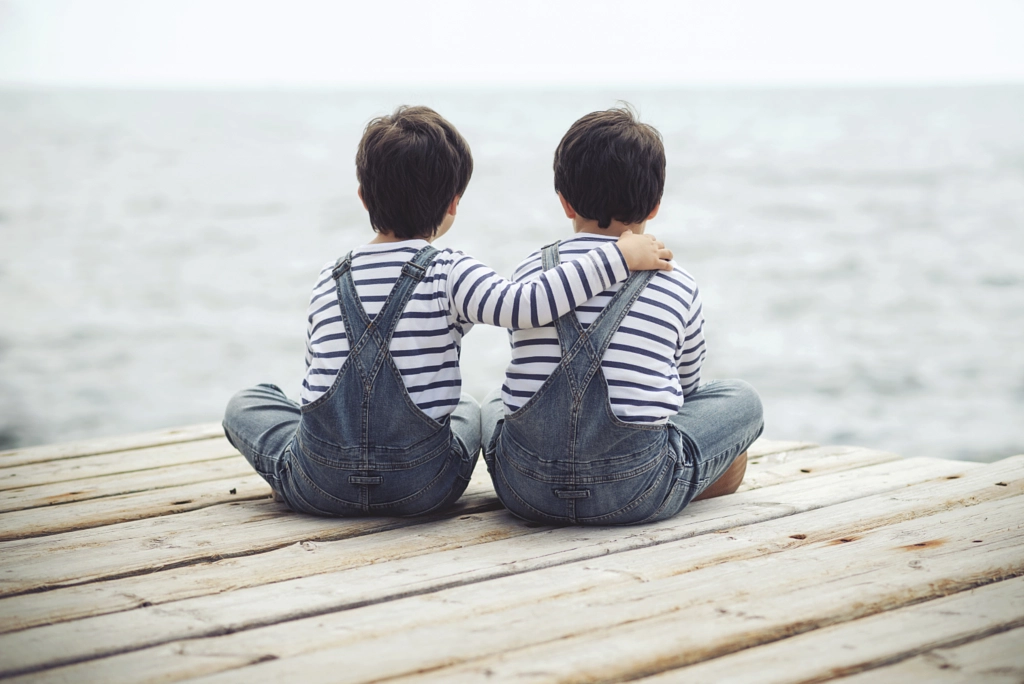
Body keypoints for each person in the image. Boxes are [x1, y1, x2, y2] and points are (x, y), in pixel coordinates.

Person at [222, 105, 673, 517]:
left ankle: (296, 476)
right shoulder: (450, 271)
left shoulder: (330, 276)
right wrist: (620, 256)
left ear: (363, 197)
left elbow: (314, 386)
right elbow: (526, 306)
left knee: (248, 402)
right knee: (467, 406)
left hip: (320, 480)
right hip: (421, 484)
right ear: (454, 202)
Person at [481, 106, 764, 525]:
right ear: (655, 206)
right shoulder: (677, 280)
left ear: (564, 201)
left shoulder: (530, 272)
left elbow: (528, 362)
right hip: (637, 489)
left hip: (526, 489)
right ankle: (693, 480)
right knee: (743, 399)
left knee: (492, 401)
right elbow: (684, 391)